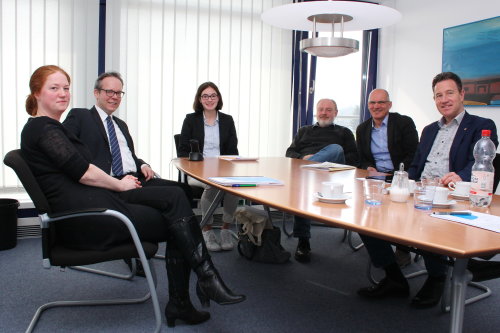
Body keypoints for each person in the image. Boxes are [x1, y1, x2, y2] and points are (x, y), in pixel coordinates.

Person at [22, 65, 245, 328]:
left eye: (66, 88)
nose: (63, 94)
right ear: (36, 93)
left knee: (178, 204)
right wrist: (118, 185)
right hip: (88, 217)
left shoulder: (50, 128)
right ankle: (197, 288)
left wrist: (139, 168)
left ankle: (195, 290)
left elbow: (83, 166)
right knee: (179, 216)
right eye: (54, 88)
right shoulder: (48, 127)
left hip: (94, 202)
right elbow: (81, 170)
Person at [357, 72, 498, 309]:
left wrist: (460, 176)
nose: (444, 99)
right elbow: (416, 164)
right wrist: (402, 183)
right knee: (367, 216)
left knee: (429, 222)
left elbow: (479, 163)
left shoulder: (481, 126)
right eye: (438, 95)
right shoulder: (430, 129)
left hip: (452, 195)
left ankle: (436, 277)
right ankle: (394, 277)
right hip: (421, 190)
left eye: (449, 93)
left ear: (462, 94)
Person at [63, 72, 194, 204]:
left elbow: (129, 156)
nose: (114, 97)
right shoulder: (81, 116)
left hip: (136, 178)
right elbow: (65, 150)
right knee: (174, 194)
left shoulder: (121, 125)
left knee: (184, 189)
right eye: (109, 92)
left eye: (118, 93)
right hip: (112, 183)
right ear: (96, 93)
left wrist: (142, 164)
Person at [285, 98, 358, 263]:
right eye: (321, 109)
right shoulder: (304, 131)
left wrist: (323, 161)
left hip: (333, 176)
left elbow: (354, 159)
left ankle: (308, 168)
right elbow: (289, 153)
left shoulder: (344, 132)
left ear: (336, 113)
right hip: (307, 178)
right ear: (316, 112)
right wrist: (303, 157)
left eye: (328, 110)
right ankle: (303, 242)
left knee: (335, 149)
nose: (324, 113)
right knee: (303, 188)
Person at [356, 89, 419, 267]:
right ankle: (378, 243)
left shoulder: (403, 123)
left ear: (389, 105)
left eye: (381, 102)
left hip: (400, 175)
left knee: (399, 210)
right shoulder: (362, 129)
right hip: (375, 176)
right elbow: (362, 157)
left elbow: (413, 153)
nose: (377, 106)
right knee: (363, 204)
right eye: (372, 103)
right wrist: (368, 167)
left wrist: (397, 175)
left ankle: (402, 248)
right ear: (368, 106)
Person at [179, 82, 240, 252]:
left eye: (213, 95)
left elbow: (232, 150)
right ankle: (207, 229)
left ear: (218, 98)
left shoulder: (227, 120)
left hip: (222, 169)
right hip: (198, 171)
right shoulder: (191, 120)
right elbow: (182, 150)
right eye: (205, 96)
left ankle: (226, 229)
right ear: (199, 99)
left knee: (234, 187)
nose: (209, 99)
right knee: (212, 185)